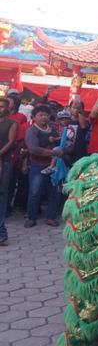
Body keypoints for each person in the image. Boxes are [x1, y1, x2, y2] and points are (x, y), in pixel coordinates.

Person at [24, 104, 63, 228]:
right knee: (35, 192)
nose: (44, 117)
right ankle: (31, 217)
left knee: (54, 192)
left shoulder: (53, 129)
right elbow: (33, 149)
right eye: (40, 115)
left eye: (46, 115)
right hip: (37, 165)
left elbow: (61, 141)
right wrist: (53, 152)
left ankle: (50, 217)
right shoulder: (32, 130)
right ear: (34, 117)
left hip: (54, 166)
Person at [0, 98, 18, 245]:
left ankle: (1, 233)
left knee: (2, 194)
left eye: (2, 106)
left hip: (4, 162)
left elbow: (11, 142)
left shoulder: (12, 123)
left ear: (8, 108)